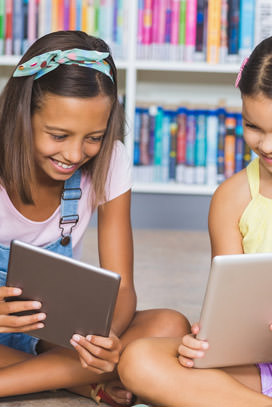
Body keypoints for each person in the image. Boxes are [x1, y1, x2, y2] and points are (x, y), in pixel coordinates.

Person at [117, 32, 272, 406]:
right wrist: (208, 336)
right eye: (253, 127)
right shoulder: (233, 197)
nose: (268, 145)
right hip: (254, 360)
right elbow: (230, 303)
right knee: (139, 360)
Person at [0, 30, 190, 406]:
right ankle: (76, 379)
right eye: (57, 135)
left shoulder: (111, 161)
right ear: (23, 115)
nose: (74, 154)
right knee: (138, 362)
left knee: (170, 327)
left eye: (93, 137)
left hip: (54, 333)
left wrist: (106, 341)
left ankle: (46, 376)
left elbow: (122, 289)